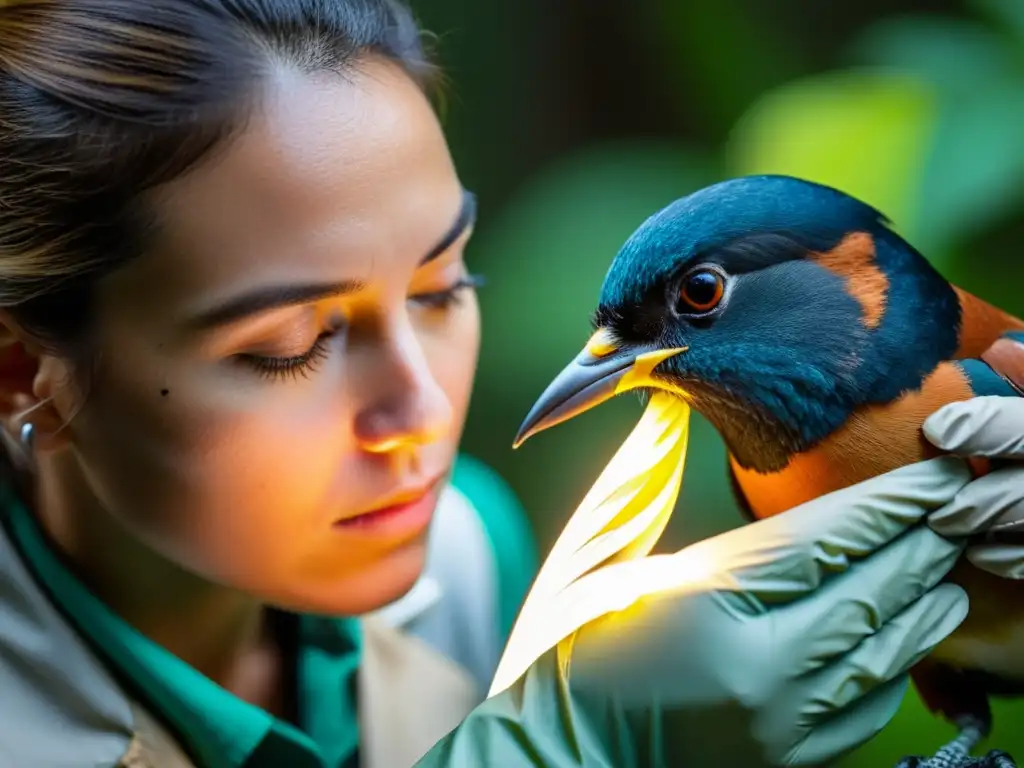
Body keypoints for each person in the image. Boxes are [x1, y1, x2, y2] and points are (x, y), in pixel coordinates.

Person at [0, 1, 1021, 766]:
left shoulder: (461, 547)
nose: (424, 414)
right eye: (292, 342)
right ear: (23, 377)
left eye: (444, 286)